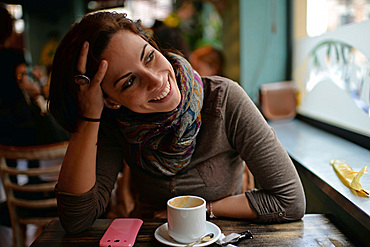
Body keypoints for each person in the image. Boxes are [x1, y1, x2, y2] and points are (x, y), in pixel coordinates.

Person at [48, 11, 306, 234]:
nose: (156, 80)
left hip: (222, 236)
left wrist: (205, 209)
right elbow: (76, 221)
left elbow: (290, 201)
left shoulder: (224, 99)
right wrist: (88, 116)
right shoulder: (118, 122)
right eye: (129, 82)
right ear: (111, 101)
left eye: (149, 57)